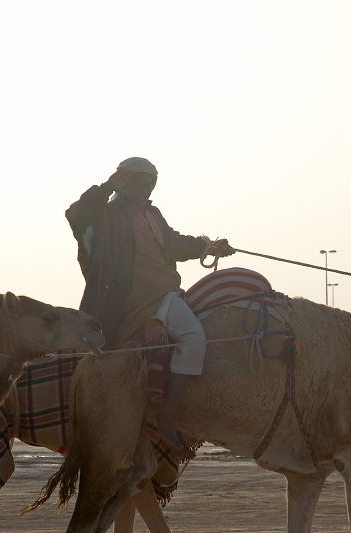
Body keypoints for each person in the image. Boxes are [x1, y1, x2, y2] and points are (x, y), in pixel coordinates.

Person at [66, 157, 234, 456]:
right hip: (124, 304)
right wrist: (107, 186)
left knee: (194, 337)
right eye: (138, 182)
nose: (144, 188)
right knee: (158, 349)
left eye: (148, 183)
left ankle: (169, 411)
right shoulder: (103, 215)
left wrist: (208, 246)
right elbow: (76, 213)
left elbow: (173, 243)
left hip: (165, 295)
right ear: (124, 182)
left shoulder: (152, 214)